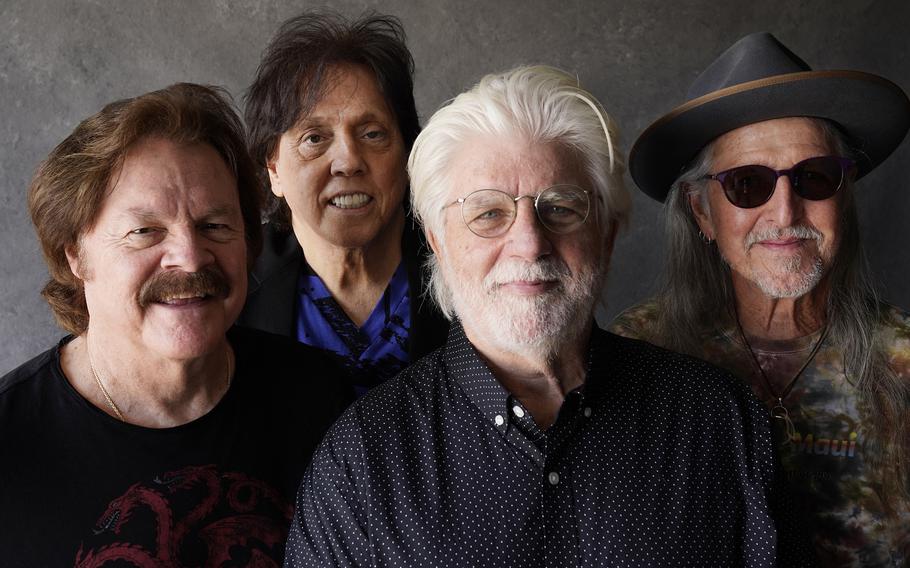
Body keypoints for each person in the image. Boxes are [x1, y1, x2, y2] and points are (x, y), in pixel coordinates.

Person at [284, 65, 813, 567]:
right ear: (439, 245)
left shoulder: (717, 420)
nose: (529, 243)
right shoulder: (361, 463)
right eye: (488, 213)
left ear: (605, 236)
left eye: (560, 208)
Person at [0, 83, 350, 566]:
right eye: (145, 231)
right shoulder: (10, 446)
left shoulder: (327, 404)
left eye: (215, 226)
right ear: (76, 254)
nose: (189, 258)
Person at [611, 32, 910, 565]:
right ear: (702, 211)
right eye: (748, 184)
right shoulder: (636, 354)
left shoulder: (904, 363)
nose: (785, 214)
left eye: (814, 178)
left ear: (843, 197)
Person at [240, 11, 448, 395]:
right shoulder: (232, 287)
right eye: (315, 138)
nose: (349, 160)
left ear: (407, 152)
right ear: (274, 169)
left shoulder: (464, 267)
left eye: (372, 133)